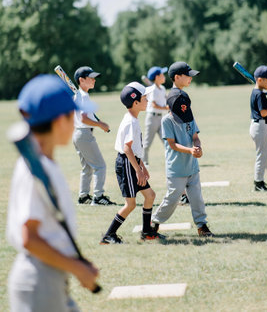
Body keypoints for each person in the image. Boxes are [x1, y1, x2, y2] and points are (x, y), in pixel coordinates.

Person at [6, 75, 99, 312]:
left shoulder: (45, 164)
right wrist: (77, 268)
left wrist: (76, 264)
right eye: (73, 115)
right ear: (60, 121)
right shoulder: (35, 171)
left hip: (51, 278)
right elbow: (30, 239)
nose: (76, 120)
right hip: (38, 281)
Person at [152, 61, 214, 237]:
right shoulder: (167, 121)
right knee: (172, 199)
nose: (190, 78)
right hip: (177, 168)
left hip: (192, 166)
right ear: (177, 77)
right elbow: (171, 144)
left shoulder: (188, 116)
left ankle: (202, 226)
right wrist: (190, 151)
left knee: (196, 198)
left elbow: (195, 136)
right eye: (188, 76)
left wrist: (198, 147)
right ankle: (154, 222)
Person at [100, 82, 164, 244]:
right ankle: (109, 235)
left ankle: (146, 231)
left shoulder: (132, 118)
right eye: (145, 97)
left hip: (133, 162)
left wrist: (142, 166)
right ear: (135, 102)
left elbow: (135, 149)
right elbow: (127, 148)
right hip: (127, 164)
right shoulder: (131, 122)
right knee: (130, 204)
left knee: (150, 195)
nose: (148, 100)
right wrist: (138, 170)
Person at [73, 66, 115, 206]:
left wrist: (98, 123)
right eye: (90, 78)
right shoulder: (83, 96)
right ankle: (98, 197)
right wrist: (100, 124)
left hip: (78, 134)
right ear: (81, 80)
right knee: (100, 166)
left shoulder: (80, 95)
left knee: (87, 167)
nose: (94, 80)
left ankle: (84, 196)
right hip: (84, 134)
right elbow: (84, 118)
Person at [142, 66, 169, 166]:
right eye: (162, 74)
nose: (164, 76)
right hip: (152, 118)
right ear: (157, 77)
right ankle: (144, 162)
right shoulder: (152, 89)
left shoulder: (162, 88)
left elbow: (165, 99)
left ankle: (169, 160)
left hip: (161, 118)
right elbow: (154, 105)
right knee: (147, 143)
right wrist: (166, 108)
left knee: (167, 140)